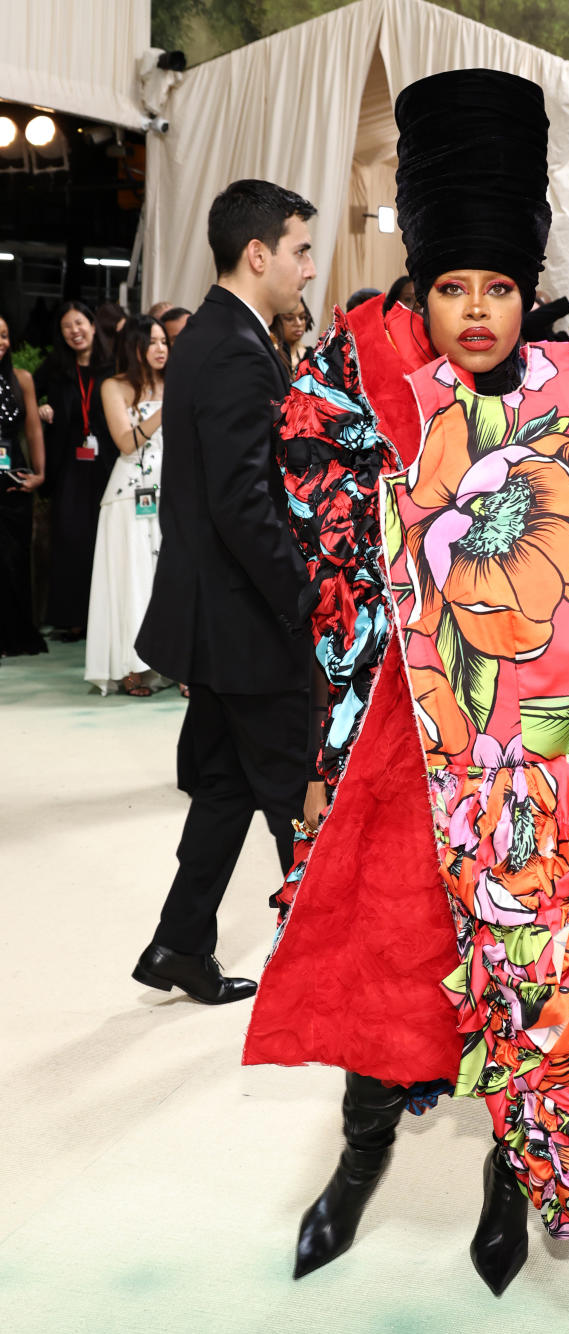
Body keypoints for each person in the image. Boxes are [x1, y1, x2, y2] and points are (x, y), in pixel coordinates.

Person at [243, 70, 569, 1296]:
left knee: (540, 985)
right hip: (406, 755)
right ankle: (357, 1166)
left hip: (542, 773)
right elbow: (313, 538)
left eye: (500, 287)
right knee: (388, 967)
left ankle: (506, 1185)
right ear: (422, 290)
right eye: (451, 287)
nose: (476, 310)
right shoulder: (374, 392)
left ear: (529, 290)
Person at [131, 179, 317, 1006]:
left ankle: (178, 944)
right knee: (296, 787)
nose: (308, 268)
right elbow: (244, 502)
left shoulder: (212, 335)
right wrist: (307, 594)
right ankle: (324, 965)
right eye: (301, 250)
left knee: (228, 784)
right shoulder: (237, 347)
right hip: (245, 620)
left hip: (212, 615)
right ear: (259, 253)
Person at [84, 316, 168, 696]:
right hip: (129, 495)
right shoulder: (112, 386)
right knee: (132, 582)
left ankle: (176, 665)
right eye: (152, 341)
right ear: (134, 346)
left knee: (169, 583)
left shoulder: (176, 383)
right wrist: (165, 409)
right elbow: (125, 442)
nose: (161, 348)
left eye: (164, 341)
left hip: (173, 493)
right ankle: (131, 666)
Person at [34, 302, 117, 640]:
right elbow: (27, 394)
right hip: (70, 466)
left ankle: (102, 618)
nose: (75, 331)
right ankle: (72, 619)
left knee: (104, 539)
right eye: (67, 326)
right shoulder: (55, 368)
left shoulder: (113, 367)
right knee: (70, 539)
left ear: (93, 326)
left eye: (80, 323)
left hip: (109, 464)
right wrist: (40, 406)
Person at [0, 313, 47, 657]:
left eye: (3, 335)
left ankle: (14, 635)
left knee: (14, 559)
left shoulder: (22, 378)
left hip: (13, 476)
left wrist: (39, 472)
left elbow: (33, 428)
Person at [270, 299, 314, 376]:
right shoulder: (269, 354)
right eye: (289, 318)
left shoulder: (313, 357)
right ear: (275, 321)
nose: (298, 323)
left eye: (302, 317)